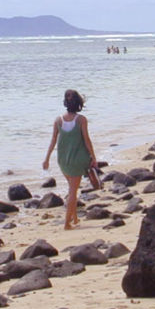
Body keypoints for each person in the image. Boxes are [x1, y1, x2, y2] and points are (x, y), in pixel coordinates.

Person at [42, 89, 98, 230]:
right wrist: (94, 157)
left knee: (72, 188)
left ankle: (75, 218)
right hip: (77, 160)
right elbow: (87, 140)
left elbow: (53, 141)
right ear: (78, 103)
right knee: (73, 191)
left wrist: (47, 159)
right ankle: (67, 224)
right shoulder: (81, 120)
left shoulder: (58, 120)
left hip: (63, 161)